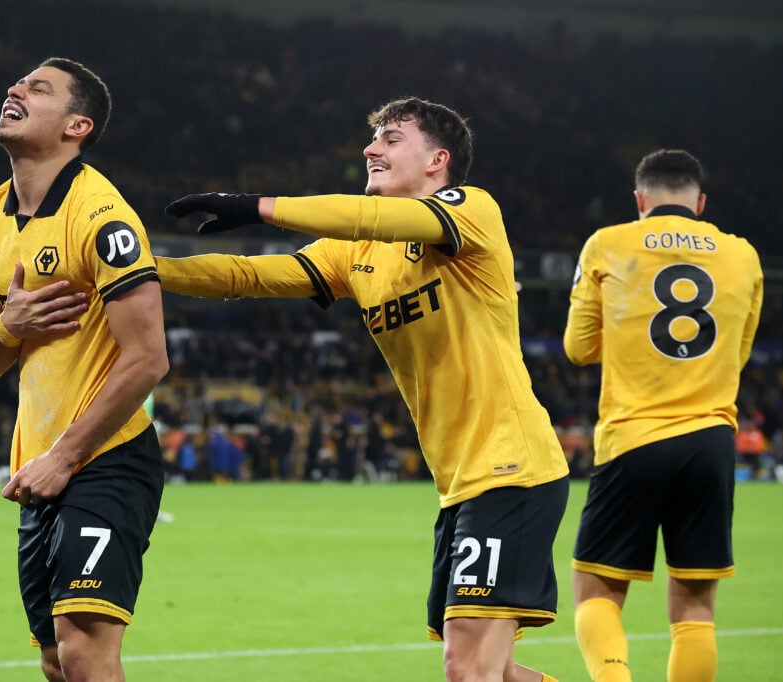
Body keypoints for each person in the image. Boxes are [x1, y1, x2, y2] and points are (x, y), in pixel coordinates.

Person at [158, 96, 569, 681]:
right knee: (494, 672)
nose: (370, 148)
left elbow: (368, 217)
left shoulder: (473, 210)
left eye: (391, 138)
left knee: (467, 667)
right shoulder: (358, 253)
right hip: (461, 481)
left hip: (511, 466)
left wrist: (258, 205)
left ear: (438, 160)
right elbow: (249, 275)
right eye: (372, 138)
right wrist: (143, 268)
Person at [0, 57, 168, 682]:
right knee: (55, 659)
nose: (14, 90)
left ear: (77, 125)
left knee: (82, 650)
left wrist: (65, 458)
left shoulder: (102, 217)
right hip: (40, 466)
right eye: (18, 84)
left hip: (106, 456)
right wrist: (9, 329)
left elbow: (148, 358)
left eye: (37, 88)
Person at [564, 149, 763, 681]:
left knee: (597, 592)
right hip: (712, 440)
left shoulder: (608, 243)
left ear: (639, 200)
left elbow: (578, 348)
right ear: (700, 202)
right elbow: (737, 356)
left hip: (633, 437)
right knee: (696, 609)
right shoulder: (743, 255)